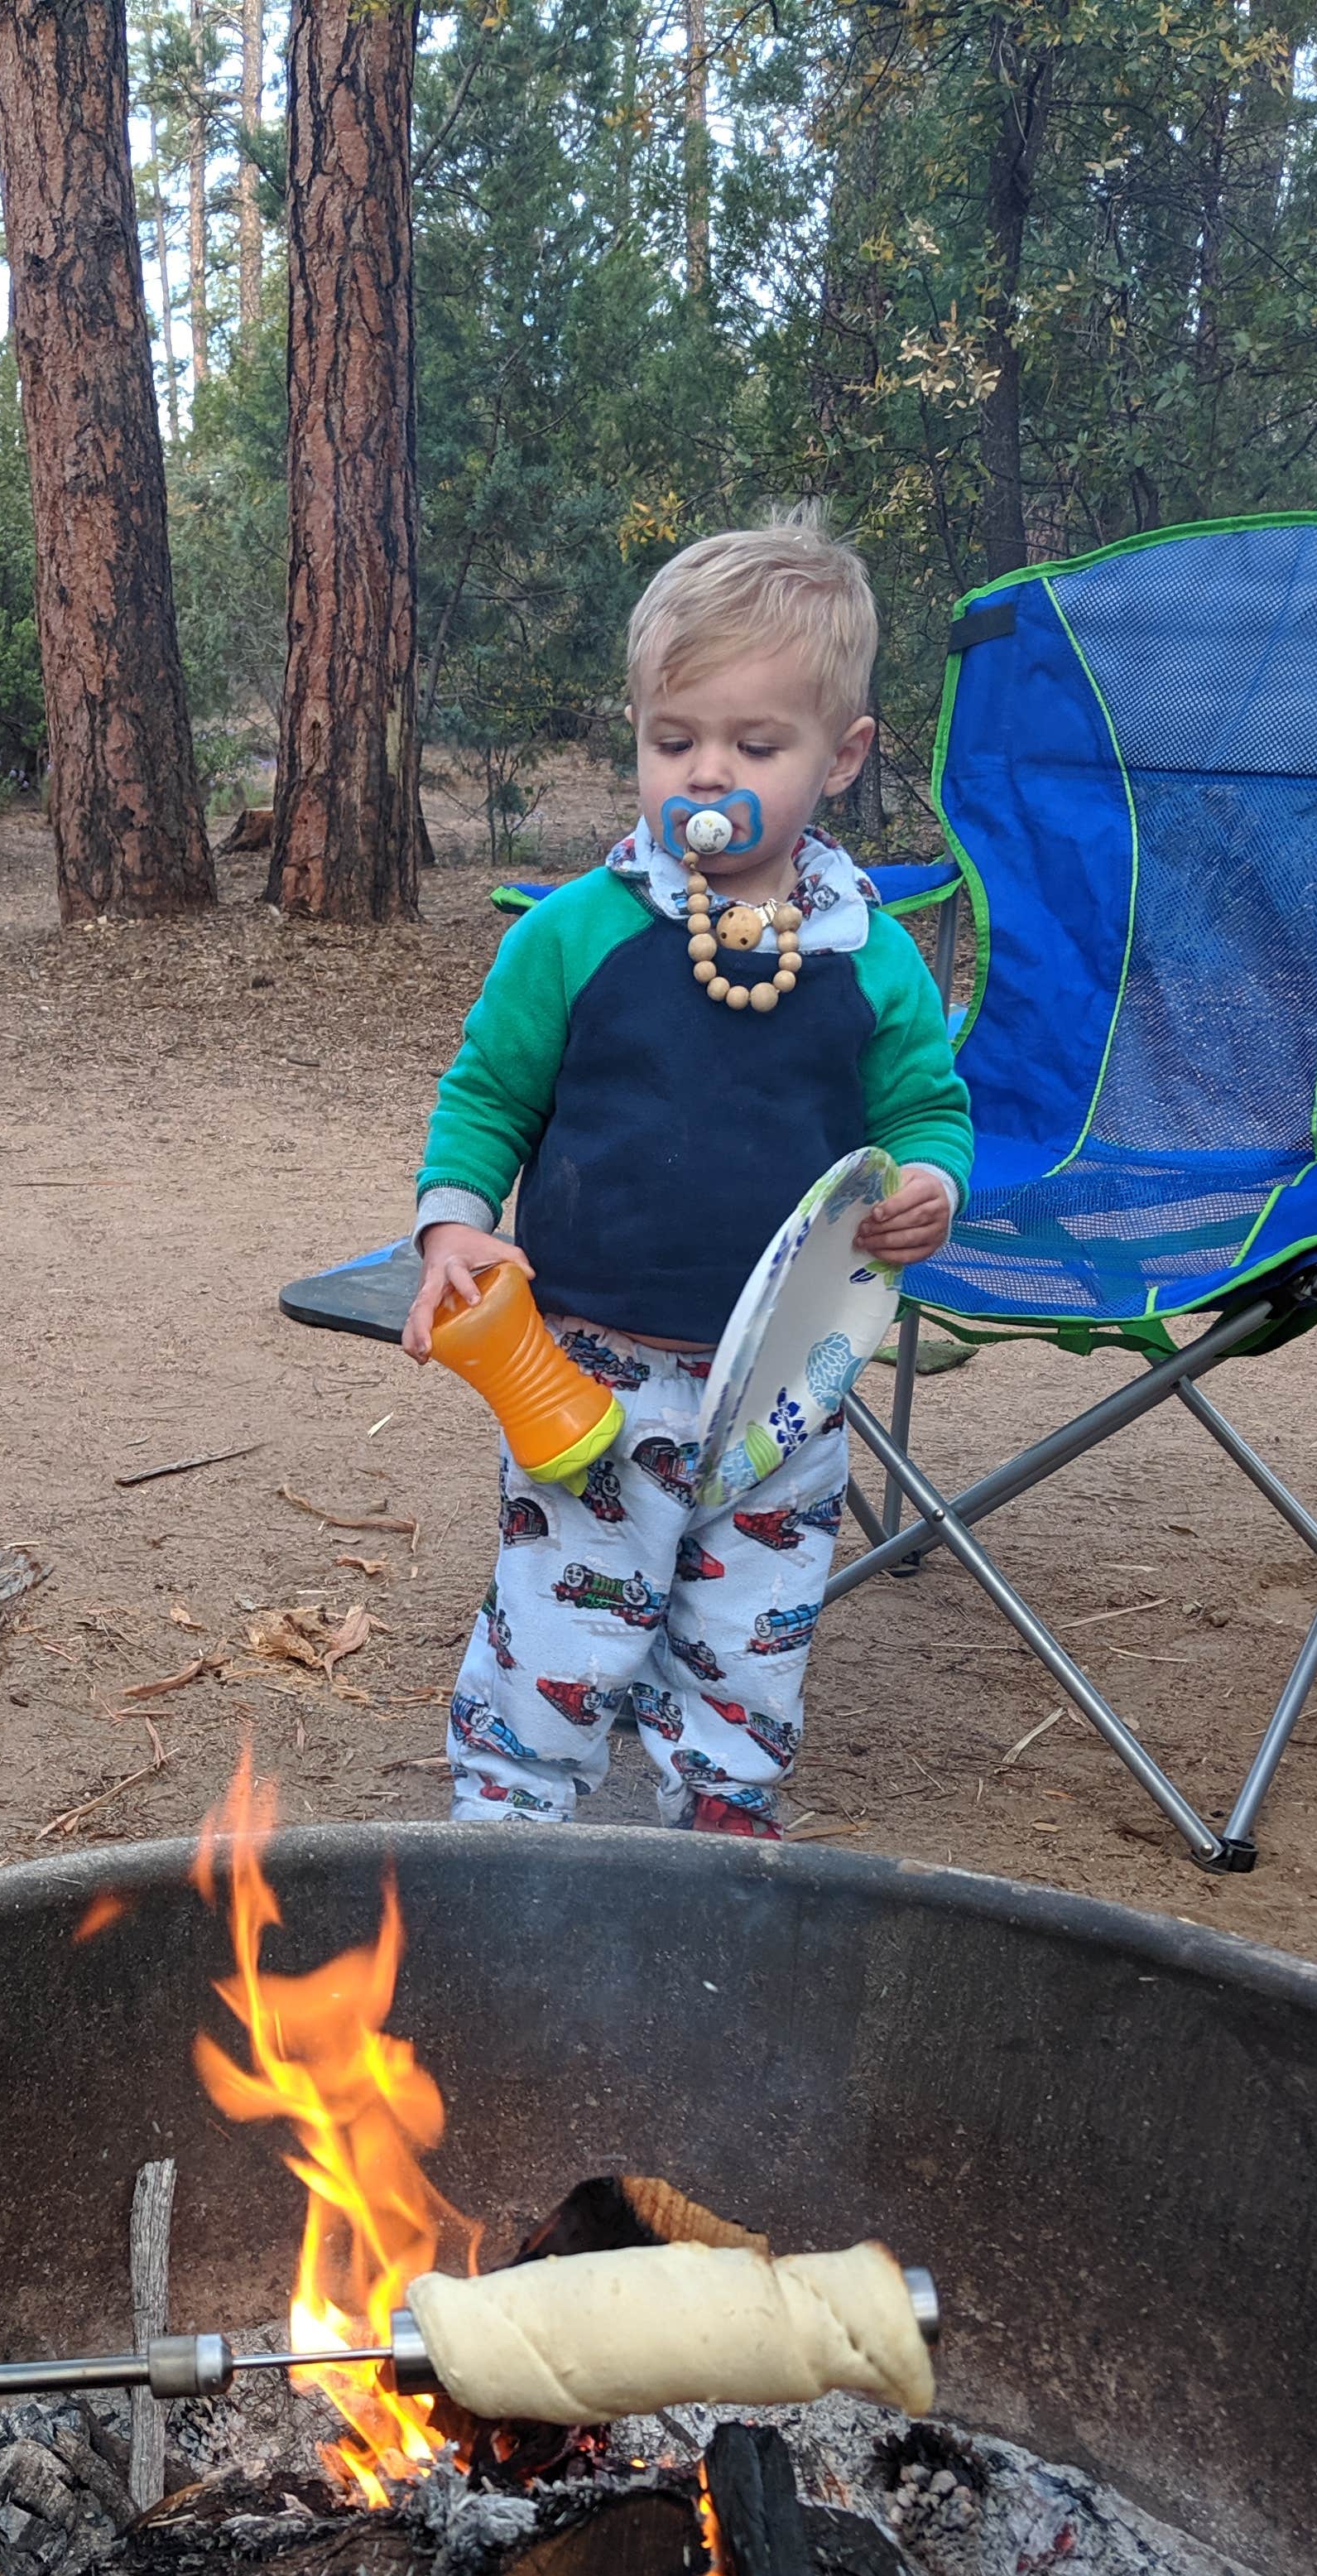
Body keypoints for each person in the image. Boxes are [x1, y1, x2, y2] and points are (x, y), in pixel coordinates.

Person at [402, 513, 973, 1832]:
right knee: (561, 1631)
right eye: (675, 741)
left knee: (749, 1640)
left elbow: (925, 1109)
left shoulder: (871, 958)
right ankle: (510, 1828)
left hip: (788, 1384)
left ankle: (721, 1833)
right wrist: (450, 1225)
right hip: (587, 1372)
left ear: (844, 757)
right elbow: (487, 1096)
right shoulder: (576, 934)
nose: (706, 772)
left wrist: (931, 1185)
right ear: (640, 735)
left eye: (755, 746)